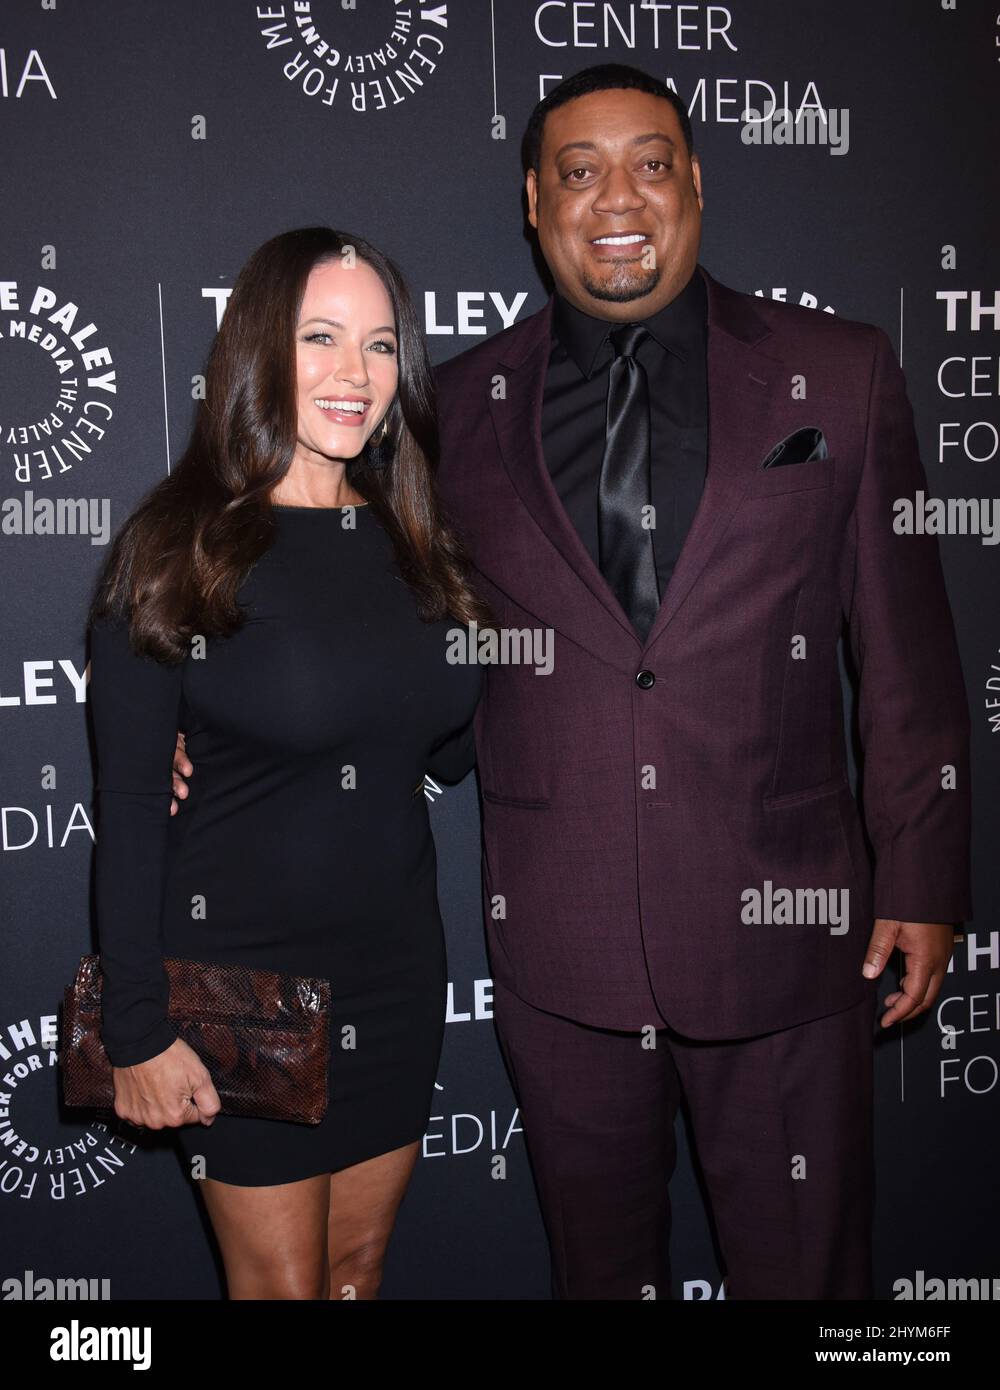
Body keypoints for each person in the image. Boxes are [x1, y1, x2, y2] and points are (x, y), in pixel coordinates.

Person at [174, 68, 972, 1300]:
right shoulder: (457, 410)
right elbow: (372, 623)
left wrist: (920, 870)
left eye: (651, 163)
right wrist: (218, 734)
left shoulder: (840, 373)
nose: (619, 197)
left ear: (696, 183)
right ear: (534, 203)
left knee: (814, 1279)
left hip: (787, 932)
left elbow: (909, 654)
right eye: (580, 169)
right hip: (563, 944)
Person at [87, 226, 486, 1300]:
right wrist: (137, 1027)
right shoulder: (182, 546)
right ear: (258, 349)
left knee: (358, 1272)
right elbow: (128, 805)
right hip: (241, 986)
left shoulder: (418, 544)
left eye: (380, 344)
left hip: (397, 978)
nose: (355, 375)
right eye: (320, 338)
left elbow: (444, 748)